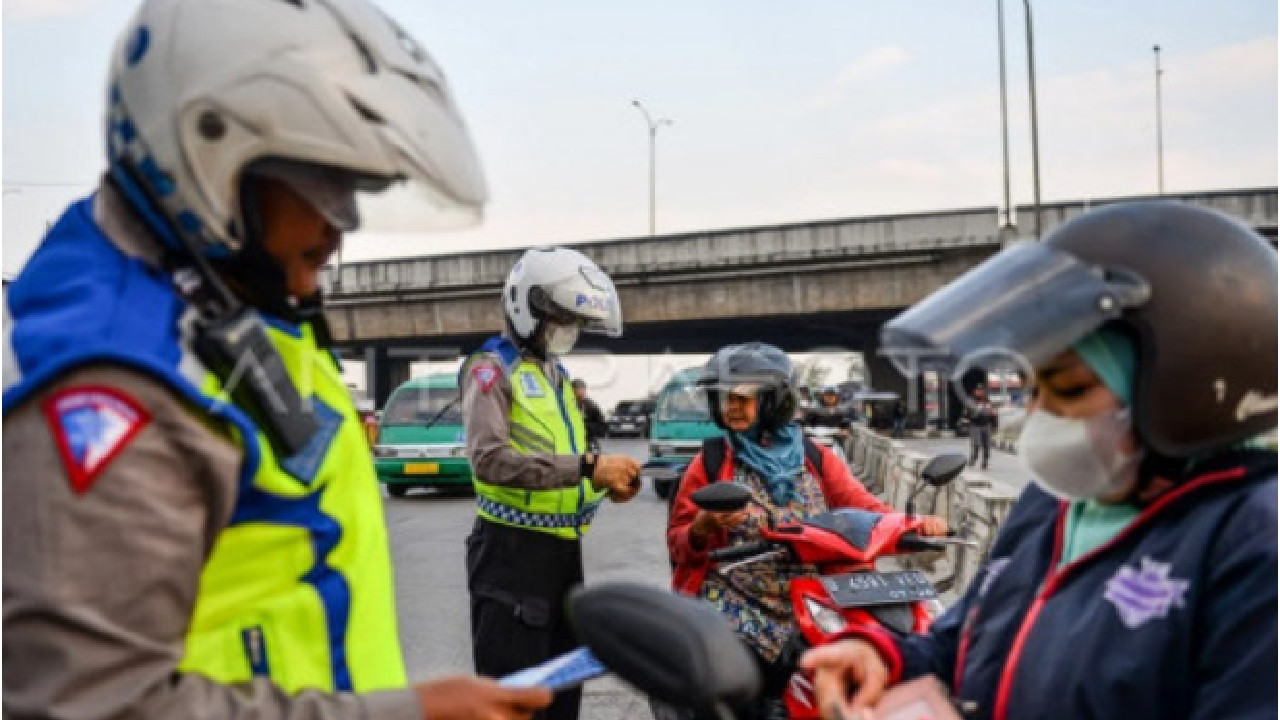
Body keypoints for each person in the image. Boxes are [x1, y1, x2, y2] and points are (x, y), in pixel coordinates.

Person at [3, 2, 554, 719]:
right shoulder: (117, 380)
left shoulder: (215, 302)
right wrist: (401, 713)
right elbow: (95, 703)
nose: (340, 229)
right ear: (207, 153)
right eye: (324, 187)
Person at [804, 201, 1277, 720]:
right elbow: (964, 641)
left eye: (1070, 388)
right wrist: (884, 658)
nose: (1038, 416)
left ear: (1183, 395)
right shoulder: (1052, 502)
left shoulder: (1249, 541)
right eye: (1033, 386)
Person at [666, 343, 947, 719]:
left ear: (773, 401)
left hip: (817, 596)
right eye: (723, 398)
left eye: (742, 398)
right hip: (739, 597)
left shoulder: (815, 456)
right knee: (740, 692)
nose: (730, 407)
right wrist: (701, 528)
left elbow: (864, 508)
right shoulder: (711, 461)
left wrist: (916, 525)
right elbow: (678, 539)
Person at [461, 246, 642, 720]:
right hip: (510, 556)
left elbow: (562, 459)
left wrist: (604, 481)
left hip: (562, 556)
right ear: (527, 309)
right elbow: (489, 460)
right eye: (557, 320)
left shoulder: (555, 375)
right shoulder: (491, 368)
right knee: (517, 701)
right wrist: (586, 467)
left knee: (564, 695)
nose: (565, 332)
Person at [962, 385, 998, 470]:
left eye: (981, 391)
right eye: (978, 391)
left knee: (986, 444)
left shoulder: (988, 402)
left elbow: (993, 414)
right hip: (975, 425)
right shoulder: (971, 401)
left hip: (986, 425)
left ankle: (985, 461)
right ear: (975, 392)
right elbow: (966, 414)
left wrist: (995, 425)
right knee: (976, 443)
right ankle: (973, 458)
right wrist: (965, 424)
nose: (980, 392)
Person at [571, 378, 607, 452]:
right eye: (577, 389)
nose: (580, 392)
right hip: (570, 441)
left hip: (588, 440)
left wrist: (586, 428)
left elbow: (601, 425)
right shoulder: (565, 405)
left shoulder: (590, 404)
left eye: (582, 389)